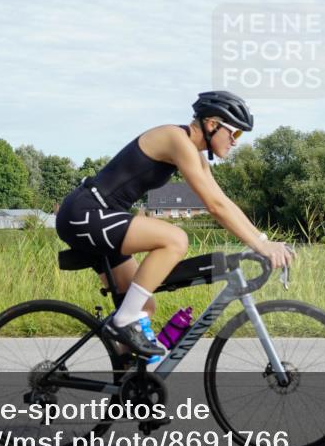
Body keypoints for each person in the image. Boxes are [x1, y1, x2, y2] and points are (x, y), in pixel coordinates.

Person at [55, 91, 294, 358]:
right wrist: (261, 245)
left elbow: (222, 201)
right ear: (213, 124)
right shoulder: (175, 139)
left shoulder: (193, 153)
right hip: (86, 213)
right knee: (175, 239)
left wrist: (263, 240)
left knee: (143, 306)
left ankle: (128, 387)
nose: (235, 142)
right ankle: (122, 322)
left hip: (101, 217)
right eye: (235, 134)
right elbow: (214, 207)